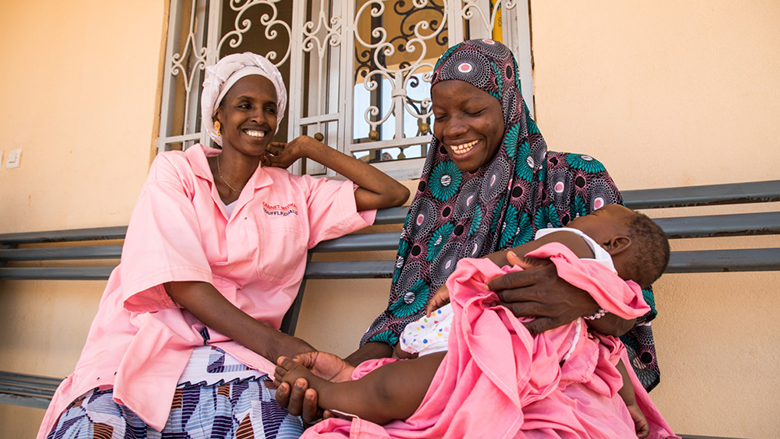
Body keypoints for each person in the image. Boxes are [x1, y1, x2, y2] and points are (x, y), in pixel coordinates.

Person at [275, 39, 673, 437]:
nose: (453, 129)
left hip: (554, 381)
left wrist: (581, 299)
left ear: (509, 104)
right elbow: (405, 319)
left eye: (473, 110)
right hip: (441, 374)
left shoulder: (575, 179)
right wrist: (347, 376)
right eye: (441, 114)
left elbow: (632, 308)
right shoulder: (437, 199)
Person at [37, 52, 409, 439]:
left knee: (276, 428)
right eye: (244, 106)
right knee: (94, 428)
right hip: (147, 340)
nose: (259, 118)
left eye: (269, 109)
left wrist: (307, 149)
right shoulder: (176, 171)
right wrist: (279, 345)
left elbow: (391, 191)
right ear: (218, 117)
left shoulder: (296, 193)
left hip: (238, 355)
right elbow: (181, 284)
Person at [273, 203, 668, 437]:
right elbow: (613, 358)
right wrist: (632, 407)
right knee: (396, 387)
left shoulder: (575, 242)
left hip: (488, 347)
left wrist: (464, 275)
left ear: (616, 244)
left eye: (596, 212)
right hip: (511, 361)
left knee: (395, 388)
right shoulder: (613, 296)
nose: (584, 215)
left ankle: (324, 393)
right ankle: (338, 389)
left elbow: (510, 257)